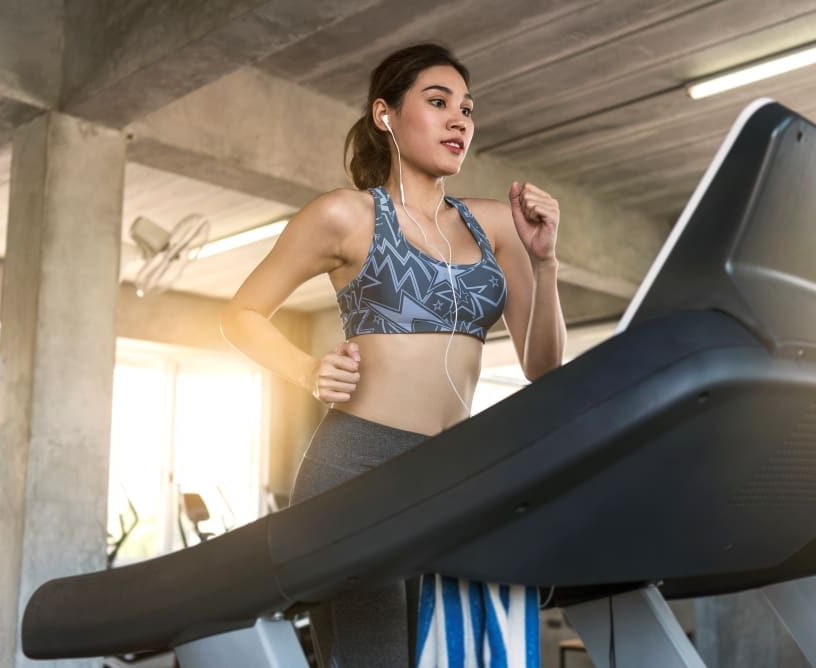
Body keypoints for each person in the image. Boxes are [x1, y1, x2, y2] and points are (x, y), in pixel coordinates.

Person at [221, 43, 566, 667]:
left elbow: (542, 366)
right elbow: (240, 314)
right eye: (437, 103)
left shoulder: (499, 225)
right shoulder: (344, 216)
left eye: (467, 108)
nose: (459, 119)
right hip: (359, 467)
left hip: (459, 473)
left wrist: (545, 263)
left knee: (465, 657)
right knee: (373, 658)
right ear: (386, 114)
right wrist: (306, 370)